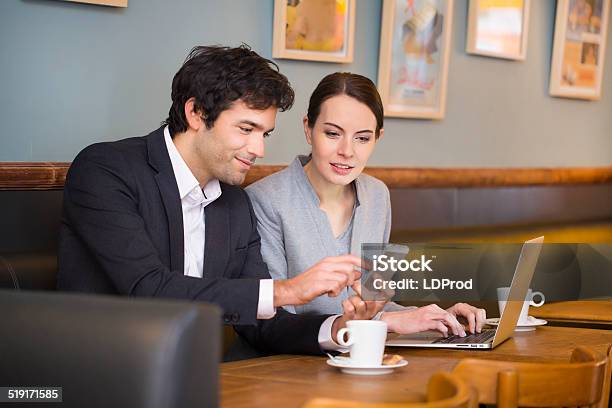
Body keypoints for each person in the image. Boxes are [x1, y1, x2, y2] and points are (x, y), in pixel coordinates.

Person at [57, 45, 382, 359]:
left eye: (264, 133)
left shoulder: (235, 203)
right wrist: (288, 290)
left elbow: (263, 326)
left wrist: (339, 329)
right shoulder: (106, 170)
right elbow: (148, 289)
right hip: (99, 373)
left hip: (198, 380)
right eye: (246, 129)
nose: (259, 149)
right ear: (196, 112)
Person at [246, 72, 486, 337]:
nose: (347, 151)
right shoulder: (265, 200)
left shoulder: (377, 196)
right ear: (308, 128)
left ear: (377, 138)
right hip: (284, 367)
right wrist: (380, 323)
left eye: (362, 138)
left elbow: (372, 306)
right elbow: (274, 320)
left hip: (357, 360)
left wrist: (435, 318)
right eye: (333, 133)